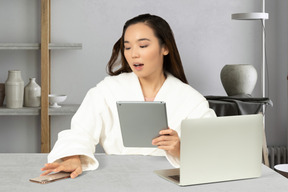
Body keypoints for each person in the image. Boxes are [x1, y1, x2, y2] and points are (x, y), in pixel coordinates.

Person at [41, 13, 216, 179]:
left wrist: (179, 149)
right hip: (117, 178)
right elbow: (79, 132)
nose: (134, 54)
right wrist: (73, 157)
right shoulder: (108, 90)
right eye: (127, 47)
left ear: (165, 48)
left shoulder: (191, 100)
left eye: (143, 46)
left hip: (168, 181)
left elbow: (214, 152)